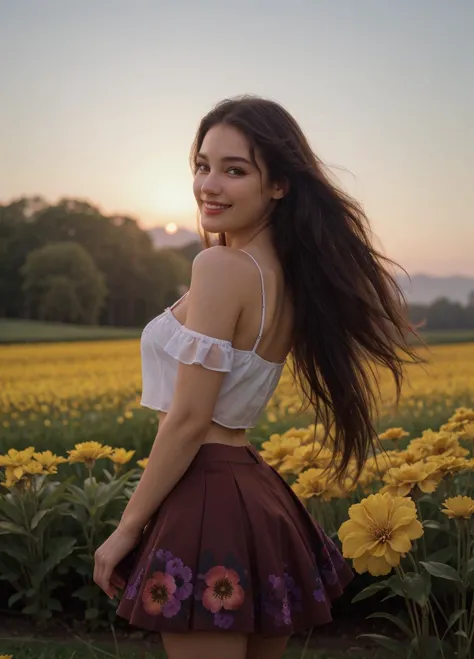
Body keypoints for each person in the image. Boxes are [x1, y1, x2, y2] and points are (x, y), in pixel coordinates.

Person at [93, 95, 422, 659]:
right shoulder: (284, 278)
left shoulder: (221, 267)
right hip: (256, 497)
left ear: (279, 185)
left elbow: (190, 418)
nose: (209, 185)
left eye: (234, 170)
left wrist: (126, 528)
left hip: (204, 498)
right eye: (202, 166)